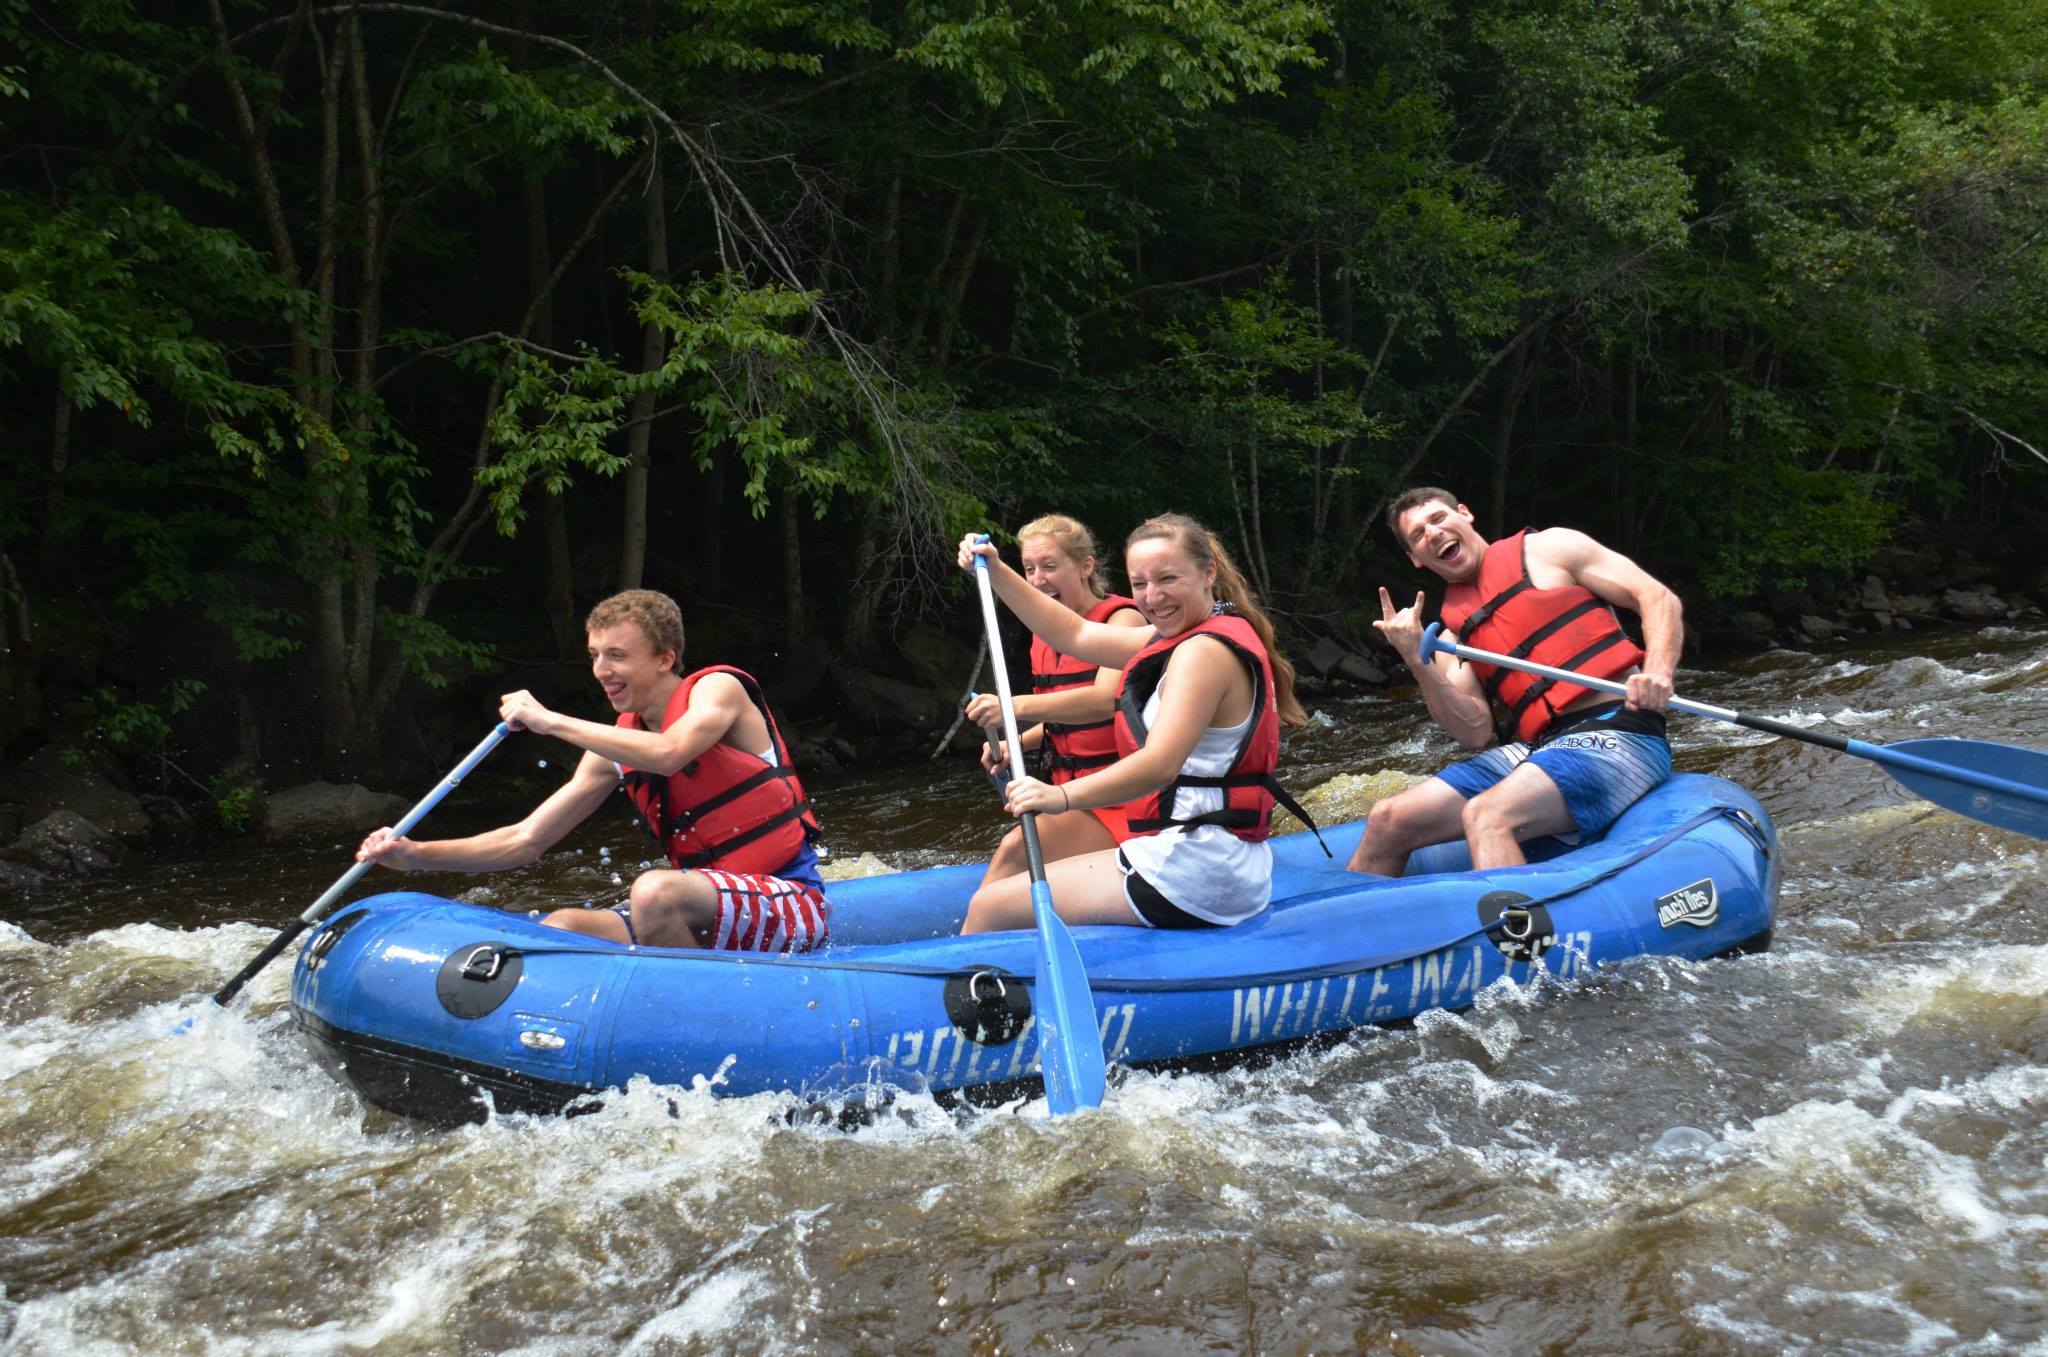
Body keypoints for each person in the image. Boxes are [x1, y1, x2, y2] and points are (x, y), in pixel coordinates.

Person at [355, 589, 829, 952]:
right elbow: (526, 840)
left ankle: (704, 1011)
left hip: (788, 900)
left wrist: (551, 721)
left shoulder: (718, 690)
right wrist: (415, 855)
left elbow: (670, 752)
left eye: (617, 655)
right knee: (564, 926)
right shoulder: (612, 750)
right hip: (707, 909)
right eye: (595, 656)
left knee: (652, 892)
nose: (601, 670)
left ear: (665, 659)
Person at [956, 512, 1314, 934]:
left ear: (1208, 573)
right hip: (1206, 858)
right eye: (1140, 584)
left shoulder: (1204, 652)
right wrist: (996, 571)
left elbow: (1160, 764)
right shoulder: (1186, 634)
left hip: (1195, 872)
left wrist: (1059, 796)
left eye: (1167, 579)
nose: (1153, 597)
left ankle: (977, 993)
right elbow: (1074, 635)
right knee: (1007, 885)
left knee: (989, 909)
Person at [1350, 487, 1683, 877]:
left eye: (1438, 519)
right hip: (1541, 748)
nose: (1433, 533)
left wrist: (1658, 671)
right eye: (1418, 535)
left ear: (1465, 513)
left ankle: (1514, 935)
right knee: (1388, 819)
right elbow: (1473, 731)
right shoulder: (1451, 633)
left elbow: (1656, 598)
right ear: (1415, 559)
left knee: (1485, 815)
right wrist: (1415, 659)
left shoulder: (1551, 548)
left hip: (1622, 728)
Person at [963, 514, 1148, 884]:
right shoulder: (1045, 634)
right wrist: (1019, 741)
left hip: (1123, 794)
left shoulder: (1123, 621)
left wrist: (1011, 708)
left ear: (1085, 566)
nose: (1038, 579)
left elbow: (1101, 702)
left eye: (1049, 566)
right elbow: (1064, 717)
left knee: (1014, 852)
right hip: (1067, 790)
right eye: (1030, 568)